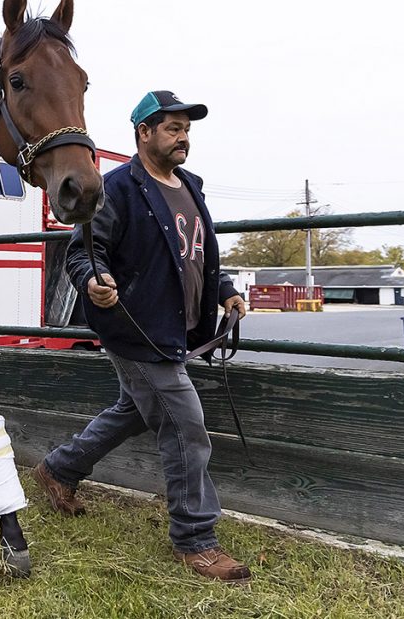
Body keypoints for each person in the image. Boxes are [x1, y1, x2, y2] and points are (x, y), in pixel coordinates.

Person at [32, 91, 251, 582]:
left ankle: (60, 469)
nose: (183, 138)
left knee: (134, 411)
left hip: (172, 330)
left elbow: (193, 256)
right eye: (172, 128)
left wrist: (225, 290)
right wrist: (94, 280)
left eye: (186, 129)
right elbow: (83, 252)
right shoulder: (116, 188)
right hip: (136, 330)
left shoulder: (189, 186)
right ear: (143, 133)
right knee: (185, 426)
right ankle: (196, 538)